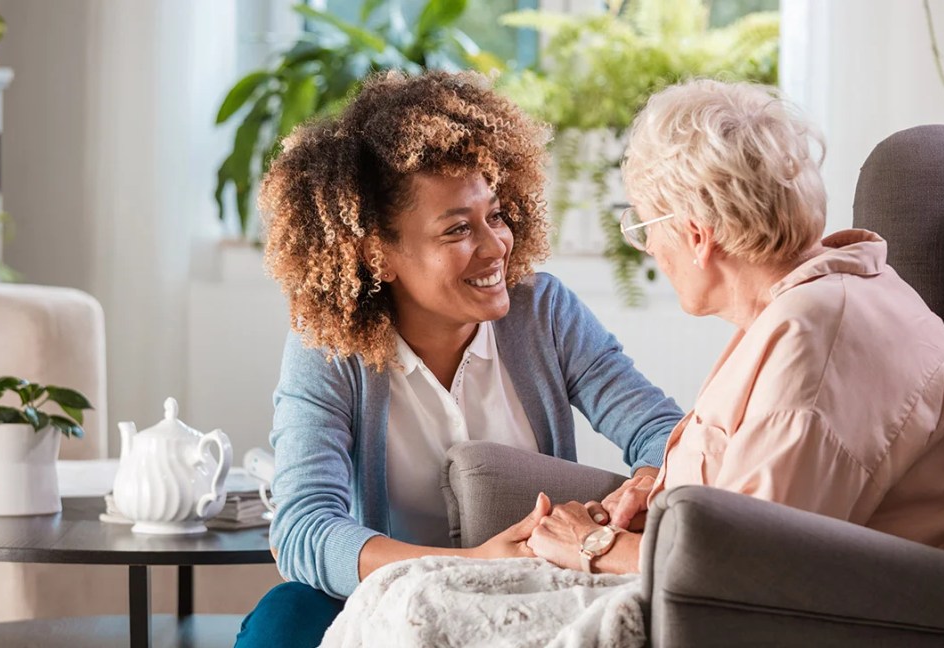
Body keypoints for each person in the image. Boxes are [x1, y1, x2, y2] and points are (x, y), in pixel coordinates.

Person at [233, 71, 685, 647]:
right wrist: (464, 563)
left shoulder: (543, 313)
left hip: (528, 594)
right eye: (457, 230)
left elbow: (661, 431)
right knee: (284, 619)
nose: (496, 245)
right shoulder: (328, 348)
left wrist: (643, 486)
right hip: (384, 597)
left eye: (495, 215)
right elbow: (302, 529)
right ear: (378, 255)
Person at [524, 78, 944, 575]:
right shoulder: (816, 301)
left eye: (643, 228)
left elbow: (750, 568)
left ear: (697, 235)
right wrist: (663, 495)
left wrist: (594, 545)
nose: (651, 249)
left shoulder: (815, 339)